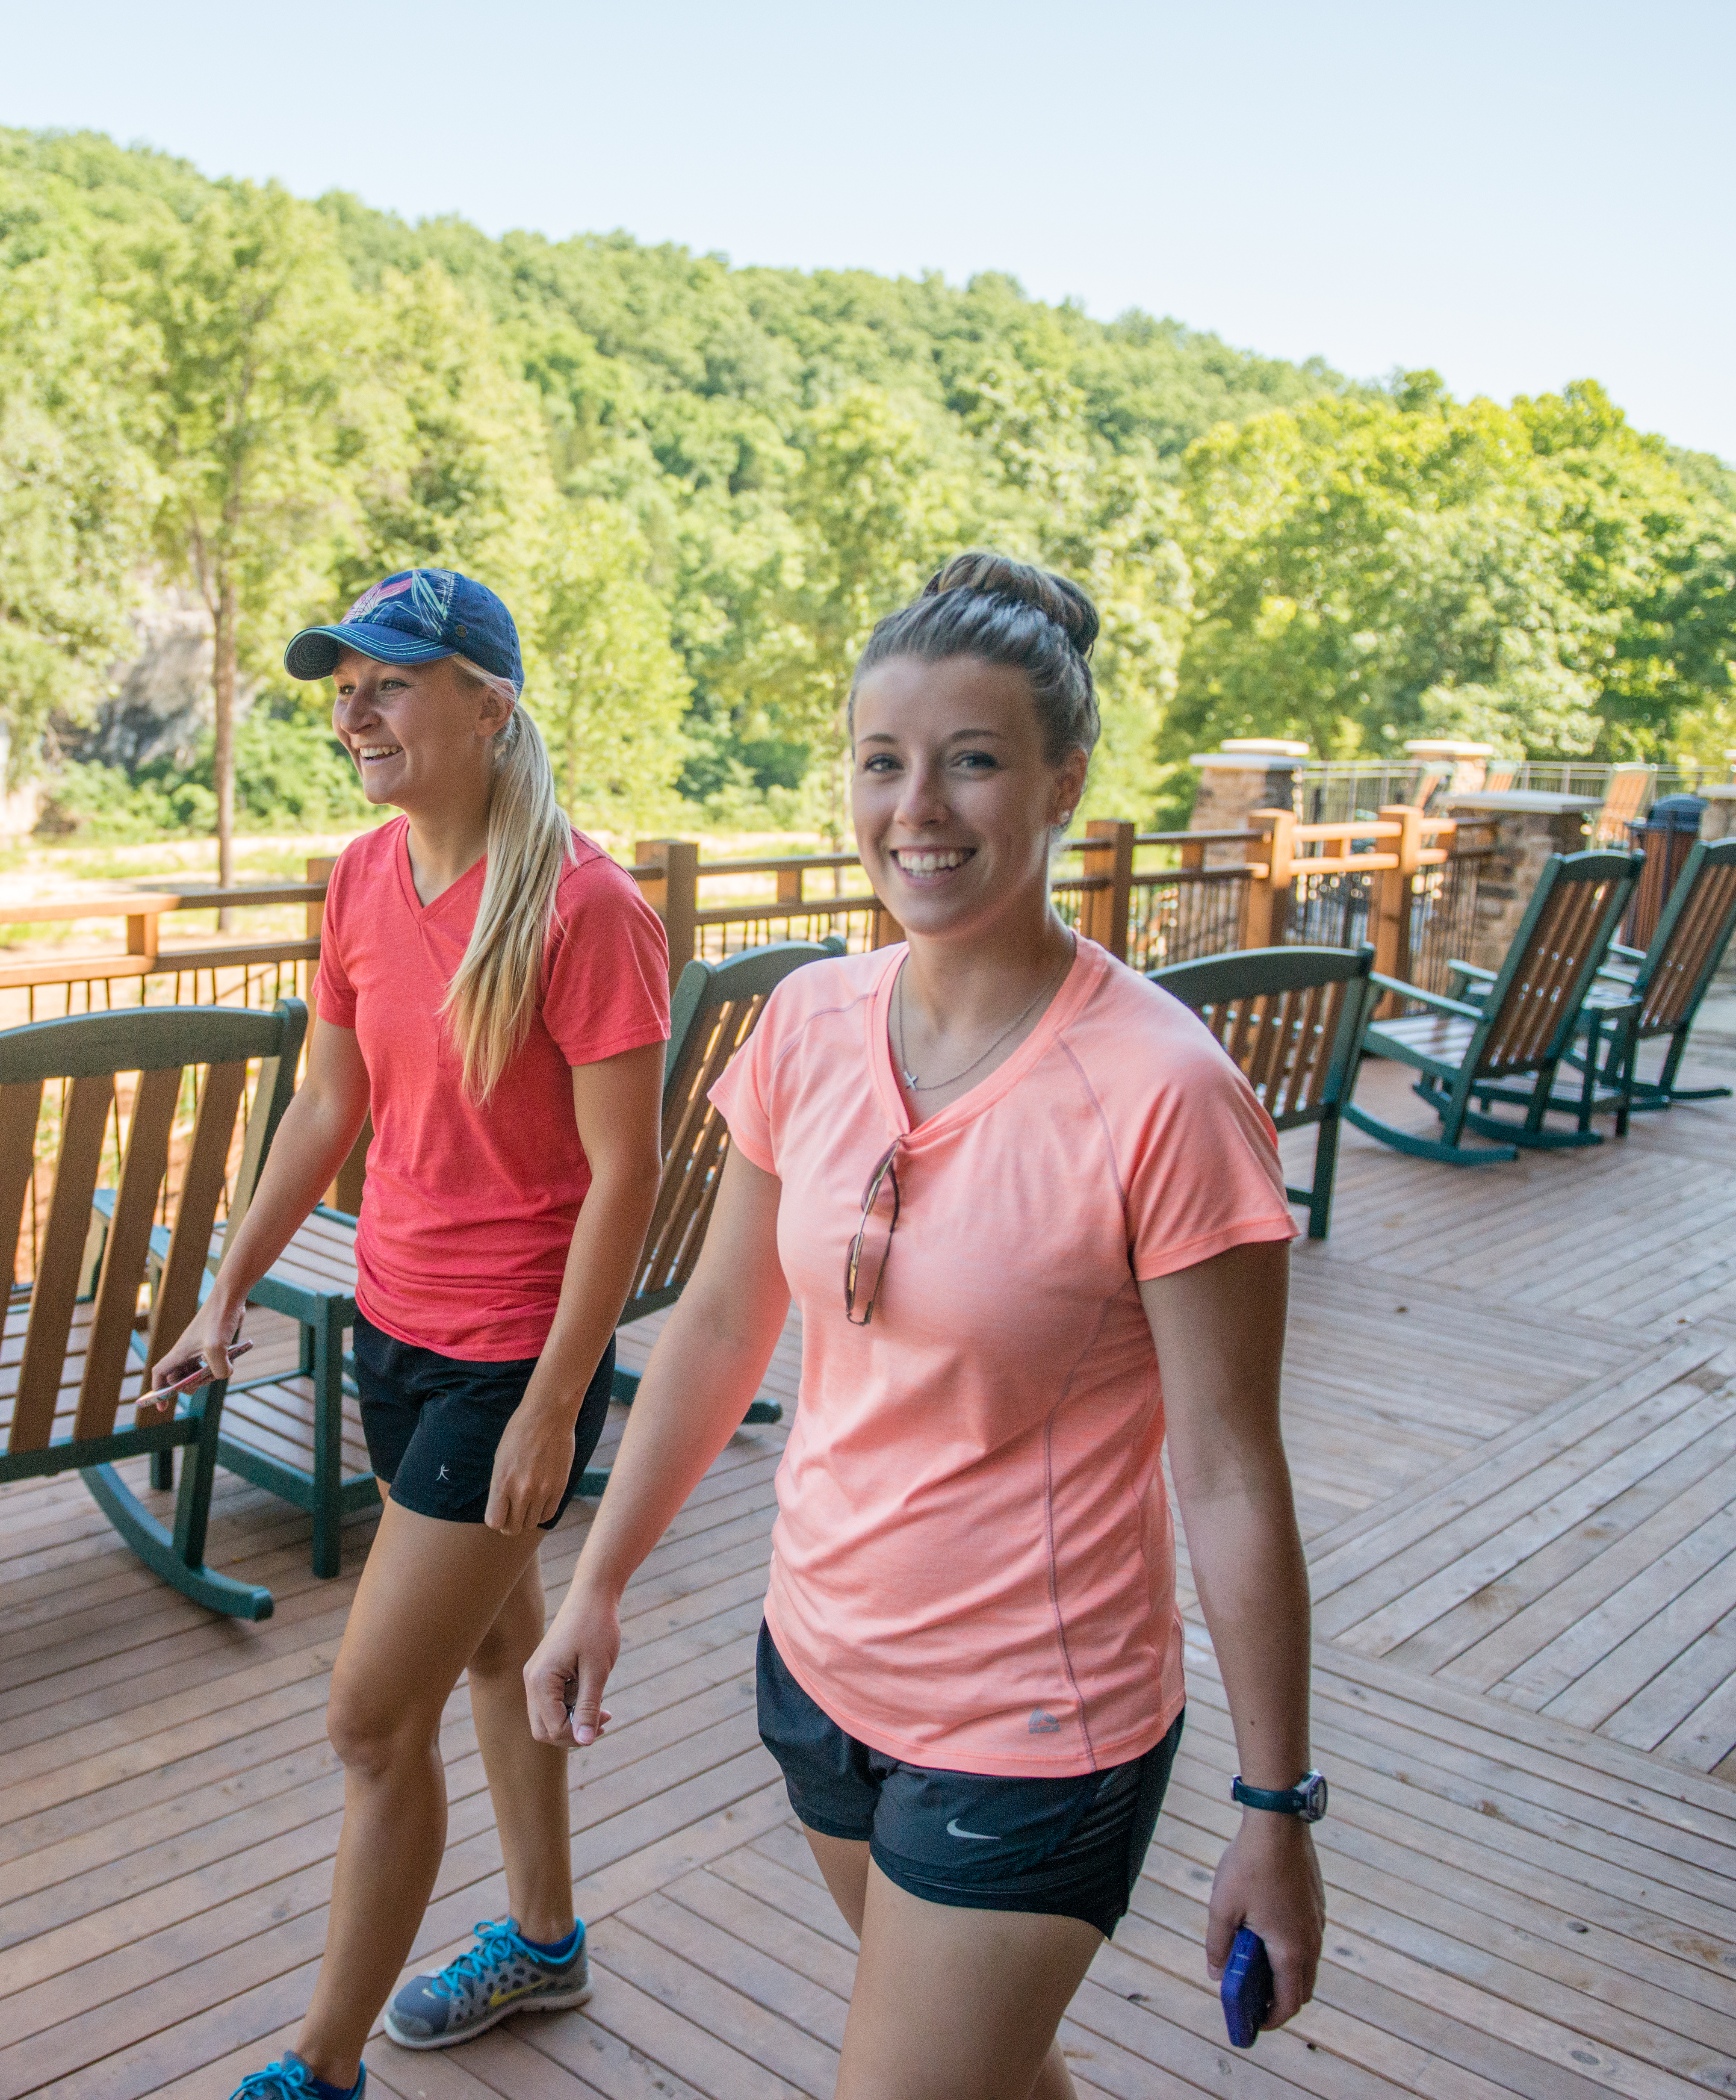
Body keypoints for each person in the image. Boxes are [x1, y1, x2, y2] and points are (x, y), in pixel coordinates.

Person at [521, 554, 1329, 2100]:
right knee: (996, 2075)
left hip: (1039, 1721)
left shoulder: (1164, 1093)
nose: (921, 809)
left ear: (1061, 782)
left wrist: (1276, 1805)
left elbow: (1230, 1471)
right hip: (817, 1672)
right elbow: (714, 1326)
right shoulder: (808, 1024)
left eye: (972, 760)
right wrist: (599, 1578)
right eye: (883, 763)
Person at [150, 569, 669, 2100]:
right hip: (394, 1326)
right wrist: (229, 1283)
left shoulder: (588, 907)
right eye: (342, 688)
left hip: (513, 1357)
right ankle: (547, 1940)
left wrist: (553, 1405)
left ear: (489, 704)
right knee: (500, 1643)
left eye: (388, 682)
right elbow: (329, 1100)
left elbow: (626, 1177)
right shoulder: (365, 878)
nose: (353, 713)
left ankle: (320, 2070)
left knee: (373, 1723)